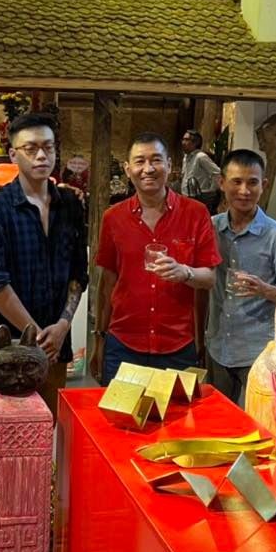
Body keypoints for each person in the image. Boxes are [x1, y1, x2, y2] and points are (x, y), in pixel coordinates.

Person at [0, 112, 88, 552]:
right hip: (7, 349)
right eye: (31, 148)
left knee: (43, 436)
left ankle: (35, 521)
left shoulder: (71, 204)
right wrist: (35, 334)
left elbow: (78, 274)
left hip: (54, 346)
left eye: (48, 147)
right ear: (13, 154)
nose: (41, 155)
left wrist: (63, 324)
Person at [91, 133, 220, 385]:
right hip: (124, 344)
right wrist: (99, 339)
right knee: (120, 411)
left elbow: (209, 278)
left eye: (156, 160)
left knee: (176, 412)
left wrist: (185, 272)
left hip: (178, 345)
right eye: (140, 161)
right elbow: (107, 283)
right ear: (128, 169)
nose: (148, 169)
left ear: (169, 165)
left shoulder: (195, 214)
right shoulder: (113, 218)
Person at [200, 149, 276, 406]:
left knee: (263, 419)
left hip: (260, 350)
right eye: (236, 182)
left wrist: (265, 289)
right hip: (218, 344)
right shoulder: (210, 227)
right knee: (218, 418)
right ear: (222, 183)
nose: (244, 191)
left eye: (252, 182)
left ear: (263, 185)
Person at [180, 129, 222, 213]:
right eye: (183, 139)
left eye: (186, 140)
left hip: (199, 197)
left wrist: (211, 190)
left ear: (195, 143)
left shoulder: (200, 157)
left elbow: (217, 172)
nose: (183, 142)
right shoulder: (186, 157)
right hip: (186, 196)